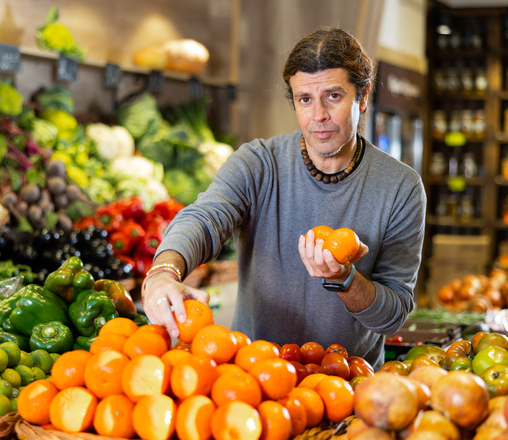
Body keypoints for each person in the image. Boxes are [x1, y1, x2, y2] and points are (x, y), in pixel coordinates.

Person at [140, 26, 426, 369]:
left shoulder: (400, 188)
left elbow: (392, 316)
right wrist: (163, 272)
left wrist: (345, 280)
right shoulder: (258, 163)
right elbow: (204, 217)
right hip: (254, 379)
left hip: (347, 387)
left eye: (333, 96)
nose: (318, 115)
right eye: (305, 99)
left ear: (362, 97)